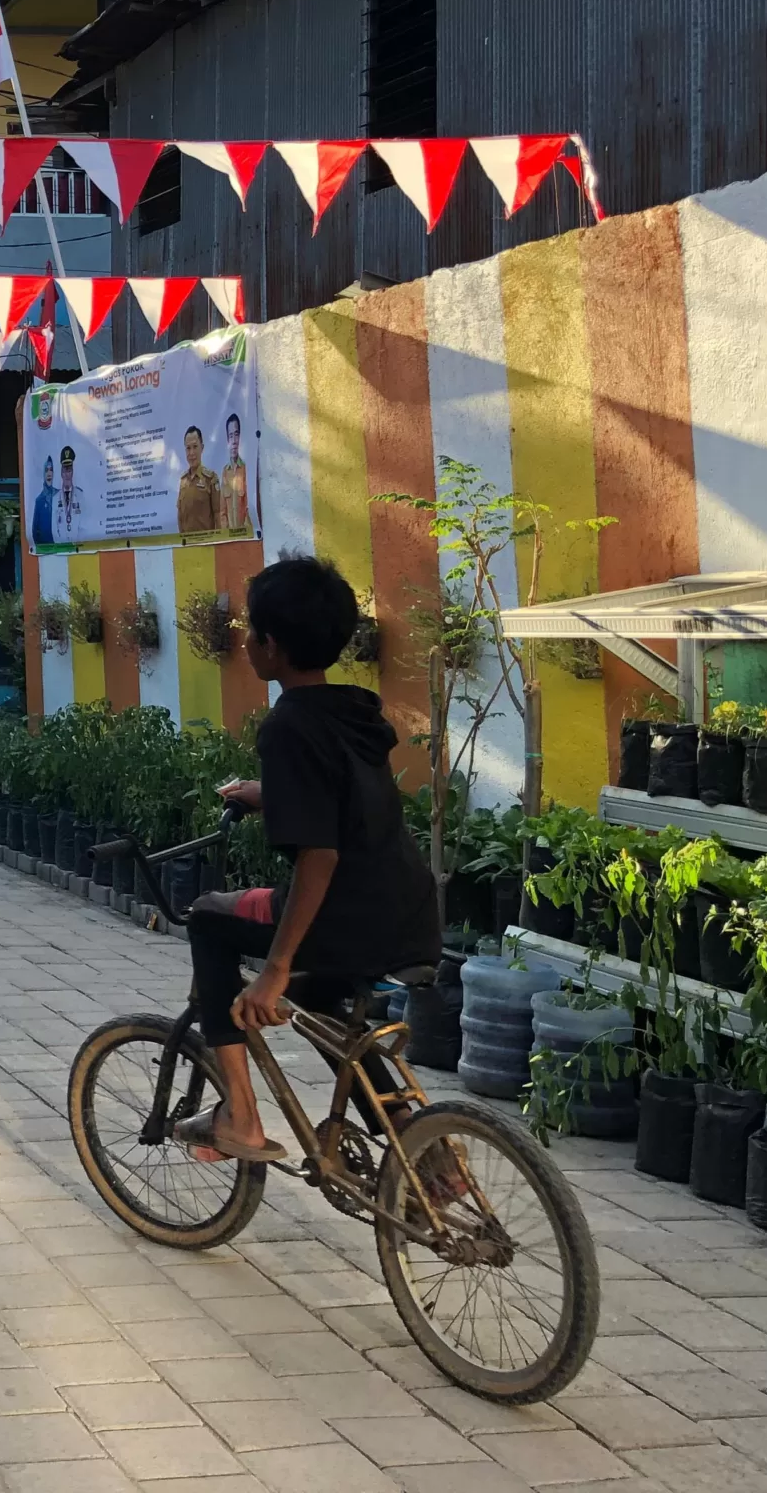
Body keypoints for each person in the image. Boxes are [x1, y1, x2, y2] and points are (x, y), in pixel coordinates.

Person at [175, 554, 439, 1163]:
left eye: (250, 631)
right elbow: (342, 800)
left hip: (345, 912)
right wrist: (264, 795)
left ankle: (240, 1117)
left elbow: (319, 854)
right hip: (406, 909)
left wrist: (274, 968)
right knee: (319, 997)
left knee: (209, 917)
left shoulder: (288, 725)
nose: (243, 640)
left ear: (271, 647)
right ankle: (415, 1138)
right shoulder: (354, 710)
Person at [176, 425, 221, 533]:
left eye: (195, 447)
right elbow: (180, 516)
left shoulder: (211, 479)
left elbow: (218, 515)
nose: (191, 453)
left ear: (202, 448)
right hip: (187, 546)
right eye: (188, 448)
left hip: (207, 546)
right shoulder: (183, 481)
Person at [221, 413, 252, 532]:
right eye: (230, 436)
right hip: (229, 538)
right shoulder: (225, 472)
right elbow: (222, 511)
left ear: (240, 437)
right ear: (228, 440)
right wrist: (226, 533)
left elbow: (250, 506)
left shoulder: (246, 469)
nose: (234, 441)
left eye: (236, 435)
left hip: (245, 536)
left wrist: (243, 532)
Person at [30, 457, 58, 546]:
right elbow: (35, 531)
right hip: (46, 549)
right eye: (46, 470)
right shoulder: (39, 500)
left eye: (51, 470)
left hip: (62, 546)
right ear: (43, 474)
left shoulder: (59, 495)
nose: (49, 473)